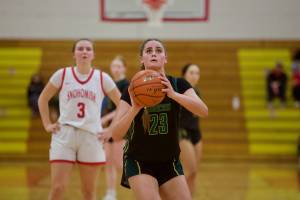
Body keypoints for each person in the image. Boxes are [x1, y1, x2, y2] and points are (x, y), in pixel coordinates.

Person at [99, 39, 208, 200]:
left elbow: (203, 110)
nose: (154, 53)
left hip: (169, 161)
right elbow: (116, 135)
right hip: (139, 161)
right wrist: (135, 109)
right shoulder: (132, 90)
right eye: (148, 51)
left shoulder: (178, 84)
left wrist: (173, 95)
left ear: (165, 58)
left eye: (158, 50)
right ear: (142, 59)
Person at [38, 39, 121, 200]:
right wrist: (47, 124)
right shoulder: (62, 74)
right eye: (80, 48)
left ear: (93, 54)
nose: (84, 51)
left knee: (89, 192)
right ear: (74, 54)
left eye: (88, 49)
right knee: (57, 188)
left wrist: (112, 129)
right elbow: (43, 98)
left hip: (91, 136)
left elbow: (123, 104)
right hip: (64, 135)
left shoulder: (102, 78)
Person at [102, 56, 129, 200]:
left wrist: (105, 118)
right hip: (107, 128)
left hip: (121, 127)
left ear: (124, 68)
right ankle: (111, 192)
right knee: (108, 160)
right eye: (114, 66)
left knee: (120, 163)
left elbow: (123, 106)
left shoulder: (126, 84)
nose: (116, 69)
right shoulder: (108, 83)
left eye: (119, 66)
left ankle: (143, 187)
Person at [178, 63, 203, 196]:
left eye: (197, 73)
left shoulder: (197, 91)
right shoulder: (179, 90)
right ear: (184, 75)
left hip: (196, 132)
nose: (194, 76)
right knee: (190, 170)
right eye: (191, 72)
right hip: (182, 131)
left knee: (194, 173)